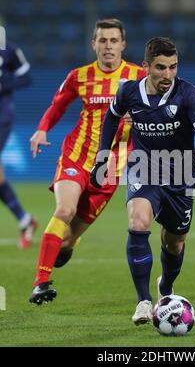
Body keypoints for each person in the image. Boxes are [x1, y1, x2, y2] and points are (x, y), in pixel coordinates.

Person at [90, 37, 195, 325]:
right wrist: (102, 156)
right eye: (161, 68)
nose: (168, 75)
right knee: (137, 223)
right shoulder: (128, 92)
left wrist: (193, 161)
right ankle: (143, 302)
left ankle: (166, 289)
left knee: (175, 244)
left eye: (173, 67)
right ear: (146, 66)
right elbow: (112, 118)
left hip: (180, 175)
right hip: (144, 166)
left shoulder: (187, 93)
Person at [28, 19, 146, 305]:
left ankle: (66, 245)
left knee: (66, 240)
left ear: (123, 45)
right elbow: (57, 105)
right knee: (64, 208)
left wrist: (140, 117)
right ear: (93, 44)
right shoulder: (78, 76)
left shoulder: (139, 77)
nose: (108, 46)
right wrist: (42, 128)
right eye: (102, 40)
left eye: (113, 40)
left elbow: (160, 113)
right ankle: (40, 283)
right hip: (77, 157)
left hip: (109, 169)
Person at [0, 41, 37, 249]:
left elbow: (26, 76)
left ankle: (25, 220)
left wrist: (4, 84)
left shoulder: (9, 50)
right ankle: (25, 220)